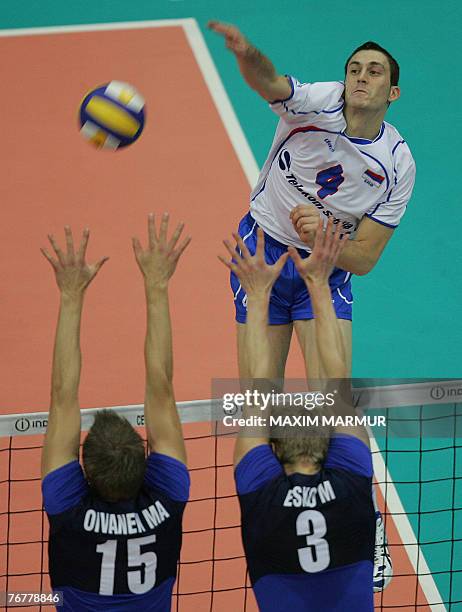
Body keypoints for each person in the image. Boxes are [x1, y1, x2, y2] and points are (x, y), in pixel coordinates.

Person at [210, 21, 404, 589]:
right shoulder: (317, 102)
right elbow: (267, 80)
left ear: (392, 92)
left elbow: (365, 258)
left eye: (374, 72)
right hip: (265, 255)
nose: (360, 77)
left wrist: (330, 235)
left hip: (326, 265)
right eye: (354, 68)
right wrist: (247, 55)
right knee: (259, 402)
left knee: (335, 404)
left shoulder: (397, 163)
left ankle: (367, 527)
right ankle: (274, 521)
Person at [220, 218, 376, 610]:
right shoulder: (341, 481)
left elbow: (257, 392)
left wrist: (255, 297)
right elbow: (336, 383)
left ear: (273, 451)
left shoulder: (267, 497)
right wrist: (322, 285)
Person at [40, 214, 191, 611]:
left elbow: (61, 396)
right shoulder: (167, 499)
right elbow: (161, 388)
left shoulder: (69, 509)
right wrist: (157, 287)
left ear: (84, 472)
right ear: (145, 462)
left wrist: (71, 296)